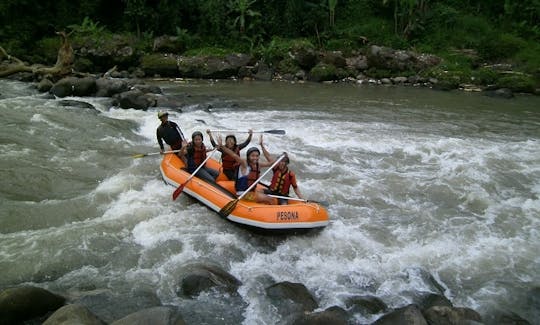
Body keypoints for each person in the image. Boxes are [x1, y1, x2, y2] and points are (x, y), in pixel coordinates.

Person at [215, 135, 274, 204]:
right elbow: (233, 155)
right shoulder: (244, 164)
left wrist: (262, 146)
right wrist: (222, 146)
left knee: (261, 192)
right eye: (252, 156)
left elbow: (271, 163)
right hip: (243, 194)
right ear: (248, 157)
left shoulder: (258, 165)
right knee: (271, 199)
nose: (255, 158)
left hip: (251, 192)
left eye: (257, 156)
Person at [260, 135, 304, 205]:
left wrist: (301, 198)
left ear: (286, 163)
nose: (281, 163)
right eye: (280, 161)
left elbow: (295, 188)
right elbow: (268, 156)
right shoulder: (276, 167)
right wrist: (262, 146)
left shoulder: (290, 175)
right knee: (259, 192)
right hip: (272, 192)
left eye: (284, 162)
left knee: (284, 205)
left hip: (282, 196)